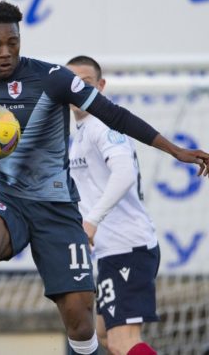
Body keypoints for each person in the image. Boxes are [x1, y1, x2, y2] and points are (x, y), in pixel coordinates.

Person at [0, 1, 209, 355]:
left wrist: (175, 150)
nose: (6, 52)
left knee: (82, 322)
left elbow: (113, 114)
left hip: (58, 210)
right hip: (8, 199)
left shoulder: (53, 78)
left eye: (13, 42)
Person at [67, 55, 158, 355]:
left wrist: (91, 221)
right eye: (73, 84)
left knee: (123, 341)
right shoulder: (78, 134)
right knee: (105, 335)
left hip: (129, 248)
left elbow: (124, 174)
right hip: (111, 251)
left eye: (87, 84)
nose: (79, 90)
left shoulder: (102, 126)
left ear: (101, 87)